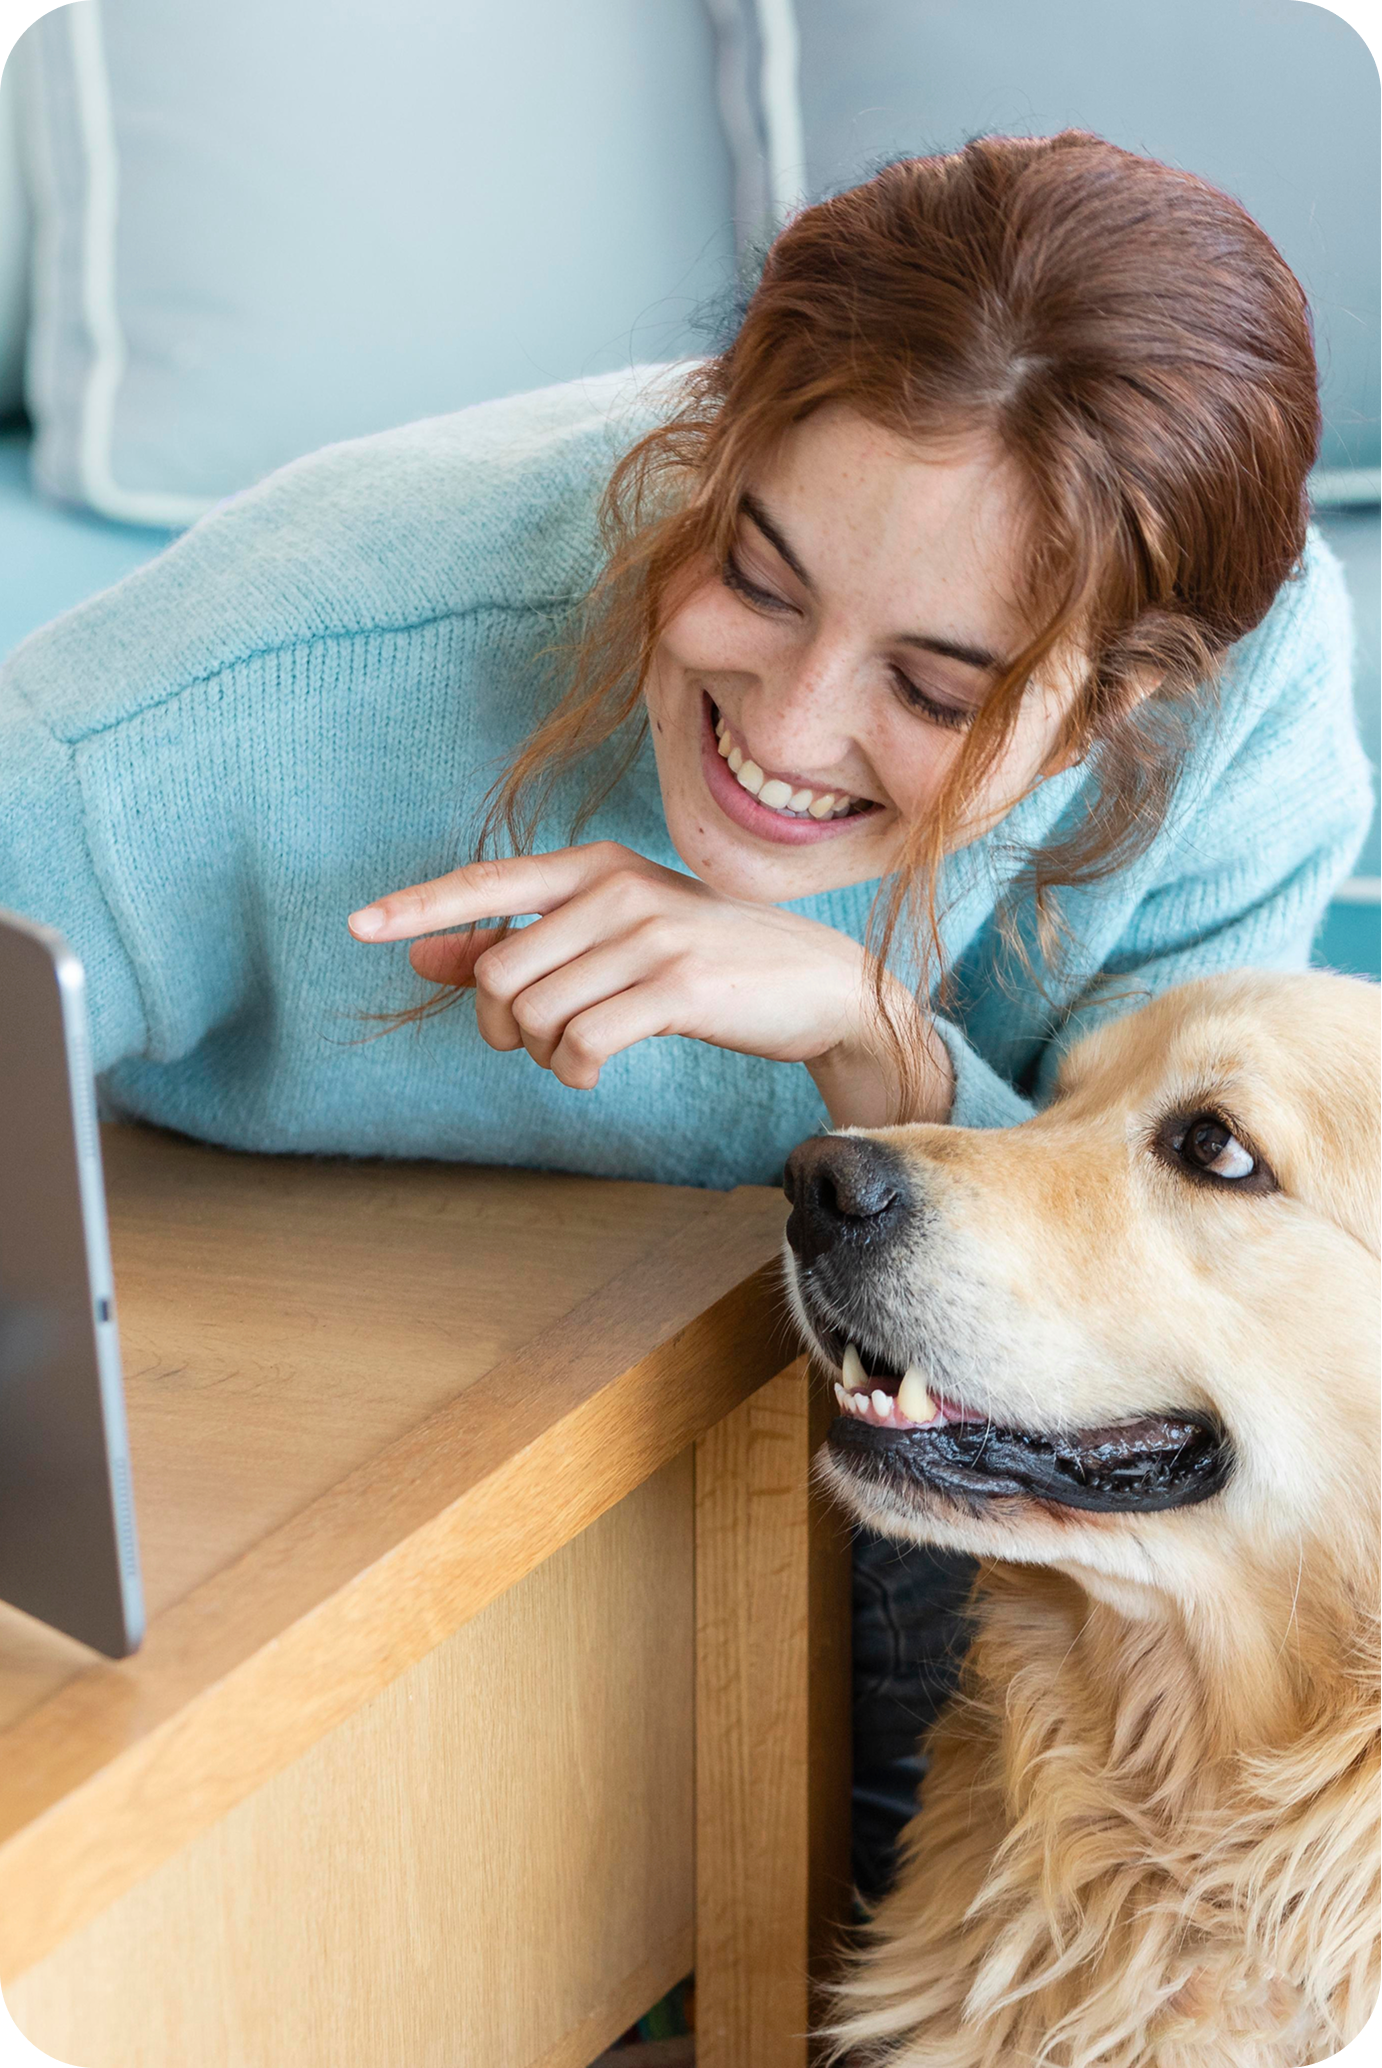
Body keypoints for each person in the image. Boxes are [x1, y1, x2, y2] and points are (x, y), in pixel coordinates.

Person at [0, 133, 1370, 1899]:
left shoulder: (1235, 697)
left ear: (1129, 701)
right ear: (702, 453)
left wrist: (870, 1039)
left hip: (875, 1419)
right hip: (338, 1325)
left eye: (934, 686)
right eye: (758, 573)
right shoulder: (221, 701)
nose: (787, 732)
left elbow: (1157, 1351)